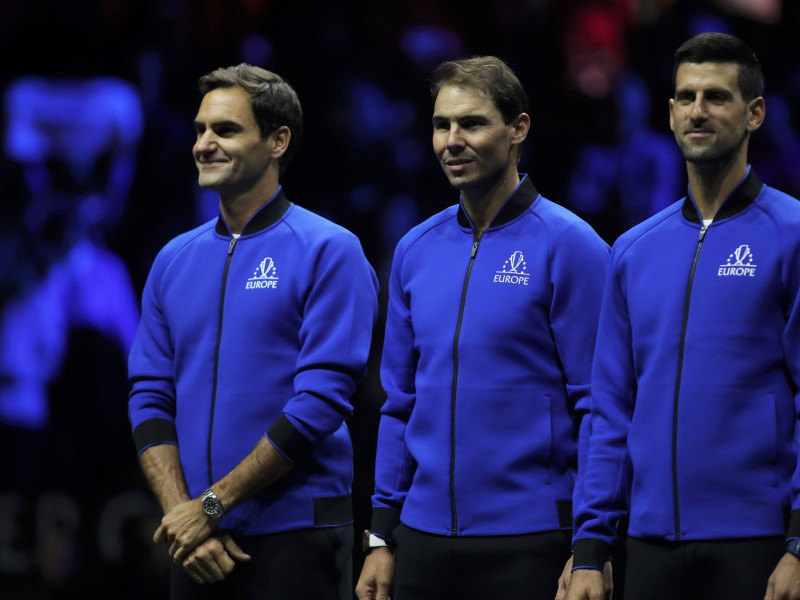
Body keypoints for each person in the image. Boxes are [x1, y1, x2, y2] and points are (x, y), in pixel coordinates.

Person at [356, 56, 609, 600]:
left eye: (471, 123)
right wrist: (381, 535)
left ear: (518, 128)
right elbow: (399, 404)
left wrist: (591, 545)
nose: (452, 140)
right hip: (420, 537)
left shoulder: (573, 246)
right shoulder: (414, 250)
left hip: (531, 539)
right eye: (442, 125)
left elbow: (600, 407)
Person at [562, 32, 800, 600]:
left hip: (758, 543)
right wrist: (591, 547)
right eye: (686, 97)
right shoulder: (633, 249)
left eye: (717, 97)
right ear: (669, 114)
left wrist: (798, 545)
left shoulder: (792, 235)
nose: (698, 110)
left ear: (754, 113)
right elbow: (609, 407)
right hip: (649, 544)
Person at [127, 63, 379, 599]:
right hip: (196, 545)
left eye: (225, 130)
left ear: (278, 140)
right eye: (200, 130)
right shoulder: (174, 259)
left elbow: (319, 403)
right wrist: (183, 515)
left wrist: (211, 505)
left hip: (296, 534)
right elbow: (149, 395)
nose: (204, 144)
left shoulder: (329, 250)